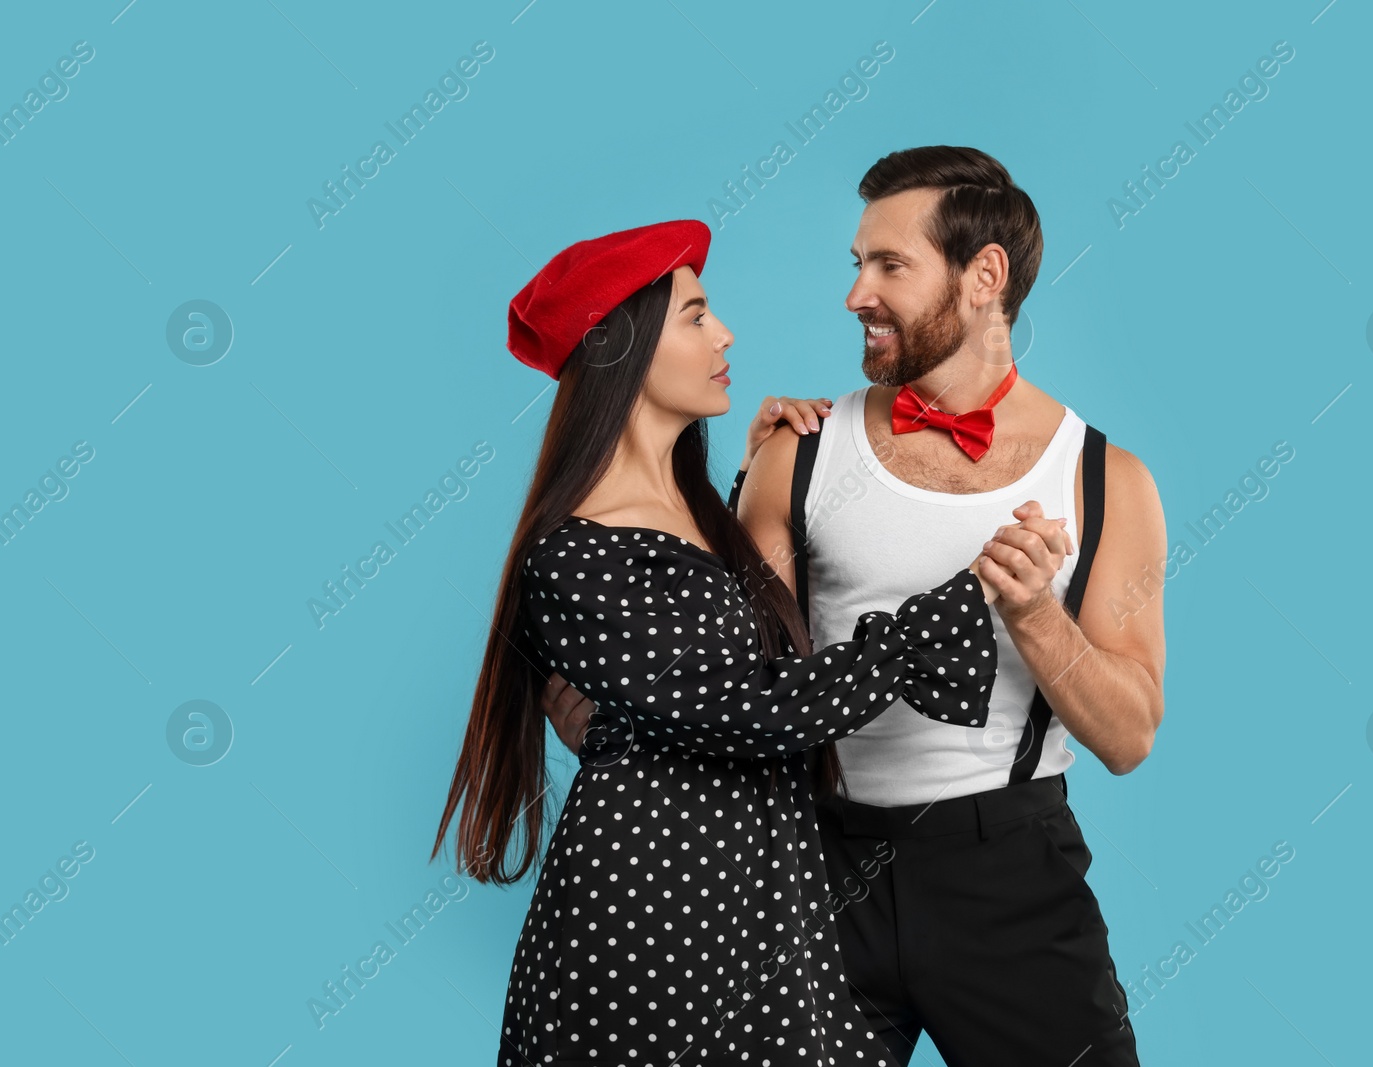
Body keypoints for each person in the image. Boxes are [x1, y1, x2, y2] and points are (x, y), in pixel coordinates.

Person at [545, 148, 1168, 1067]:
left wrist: (1036, 616)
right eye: (855, 264)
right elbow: (722, 673)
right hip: (807, 868)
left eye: (889, 265)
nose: (856, 294)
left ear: (983, 277)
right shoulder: (801, 452)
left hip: (1008, 872)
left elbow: (1129, 735)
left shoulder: (1106, 480)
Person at [431, 218, 1070, 1067]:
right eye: (695, 316)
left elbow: (720, 643)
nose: (725, 332)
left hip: (758, 902)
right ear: (623, 345)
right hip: (654, 920)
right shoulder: (573, 553)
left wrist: (756, 482)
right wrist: (960, 600)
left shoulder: (698, 517)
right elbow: (751, 708)